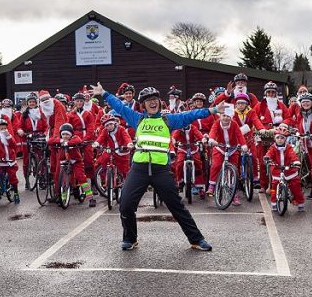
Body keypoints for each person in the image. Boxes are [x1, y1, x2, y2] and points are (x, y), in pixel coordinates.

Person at [95, 82, 223, 251]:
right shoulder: (137, 118)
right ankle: (130, 239)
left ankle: (196, 239)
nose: (152, 102)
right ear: (143, 105)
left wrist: (212, 110)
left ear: (159, 102)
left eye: (155, 99)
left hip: (160, 170)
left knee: (177, 206)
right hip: (139, 168)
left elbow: (190, 115)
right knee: (125, 205)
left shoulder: (167, 119)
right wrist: (104, 93)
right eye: (148, 100)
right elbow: (119, 107)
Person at [286, 92, 312, 199]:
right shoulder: (300, 115)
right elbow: (298, 126)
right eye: (303, 102)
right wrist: (294, 131)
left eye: (308, 102)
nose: (306, 104)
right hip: (306, 145)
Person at [206, 103, 249, 204]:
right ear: (220, 116)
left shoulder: (234, 124)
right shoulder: (216, 123)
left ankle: (234, 194)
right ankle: (211, 186)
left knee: (234, 170)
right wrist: (211, 140)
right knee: (216, 165)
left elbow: (239, 135)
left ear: (231, 117)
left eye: (228, 116)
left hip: (233, 149)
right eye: (223, 116)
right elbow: (213, 132)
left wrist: (243, 145)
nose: (225, 118)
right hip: (220, 147)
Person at [49, 123, 93, 206]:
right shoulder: (60, 139)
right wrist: (61, 141)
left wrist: (67, 143)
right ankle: (63, 198)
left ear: (71, 134)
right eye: (63, 134)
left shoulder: (75, 138)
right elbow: (50, 141)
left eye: (67, 134)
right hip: (64, 162)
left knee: (81, 177)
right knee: (63, 181)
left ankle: (90, 198)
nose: (65, 136)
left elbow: (78, 140)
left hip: (76, 161)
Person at [263, 125, 305, 211]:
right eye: (278, 137)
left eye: (282, 138)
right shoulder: (273, 148)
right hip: (277, 169)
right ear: (275, 139)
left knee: (295, 186)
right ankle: (274, 203)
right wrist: (267, 158)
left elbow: (292, 155)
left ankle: (300, 202)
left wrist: (295, 162)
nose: (280, 139)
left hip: (289, 169)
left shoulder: (288, 147)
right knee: (274, 188)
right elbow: (269, 154)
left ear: (285, 139)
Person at [0, 119, 21, 204]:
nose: (3, 130)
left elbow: (14, 145)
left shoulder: (9, 136)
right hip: (0, 161)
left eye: (5, 128)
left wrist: (8, 137)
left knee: (13, 178)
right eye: (1, 129)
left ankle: (16, 193)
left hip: (10, 161)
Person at [17, 93, 49, 185]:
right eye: (30, 102)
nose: (32, 103)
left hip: (39, 137)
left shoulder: (41, 113)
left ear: (36, 103)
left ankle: (42, 176)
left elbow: (46, 126)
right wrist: (20, 131)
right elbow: (20, 126)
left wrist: (45, 133)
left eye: (33, 102)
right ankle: (26, 178)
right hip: (28, 137)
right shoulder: (24, 114)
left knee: (40, 157)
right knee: (26, 160)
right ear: (27, 103)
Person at [93, 114, 133, 183]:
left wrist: (129, 144)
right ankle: (104, 179)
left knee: (125, 170)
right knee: (102, 160)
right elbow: (101, 137)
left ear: (114, 123)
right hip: (111, 150)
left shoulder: (121, 129)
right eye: (107, 126)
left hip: (122, 151)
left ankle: (128, 184)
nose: (109, 127)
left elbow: (126, 137)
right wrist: (96, 143)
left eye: (111, 124)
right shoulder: (105, 131)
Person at [171, 123, 205, 197]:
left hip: (193, 149)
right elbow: (173, 138)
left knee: (198, 164)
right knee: (179, 163)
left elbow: (200, 136)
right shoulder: (179, 128)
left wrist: (202, 140)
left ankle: (200, 187)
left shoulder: (193, 128)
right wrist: (175, 143)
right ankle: (180, 181)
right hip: (182, 149)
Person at [67, 92, 97, 177]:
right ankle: (75, 186)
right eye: (77, 101)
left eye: (81, 101)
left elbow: (91, 128)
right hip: (74, 138)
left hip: (86, 139)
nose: (79, 103)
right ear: (74, 102)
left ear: (84, 102)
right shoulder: (70, 114)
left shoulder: (88, 113)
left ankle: (92, 180)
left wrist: (86, 139)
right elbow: (68, 127)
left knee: (89, 161)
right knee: (74, 161)